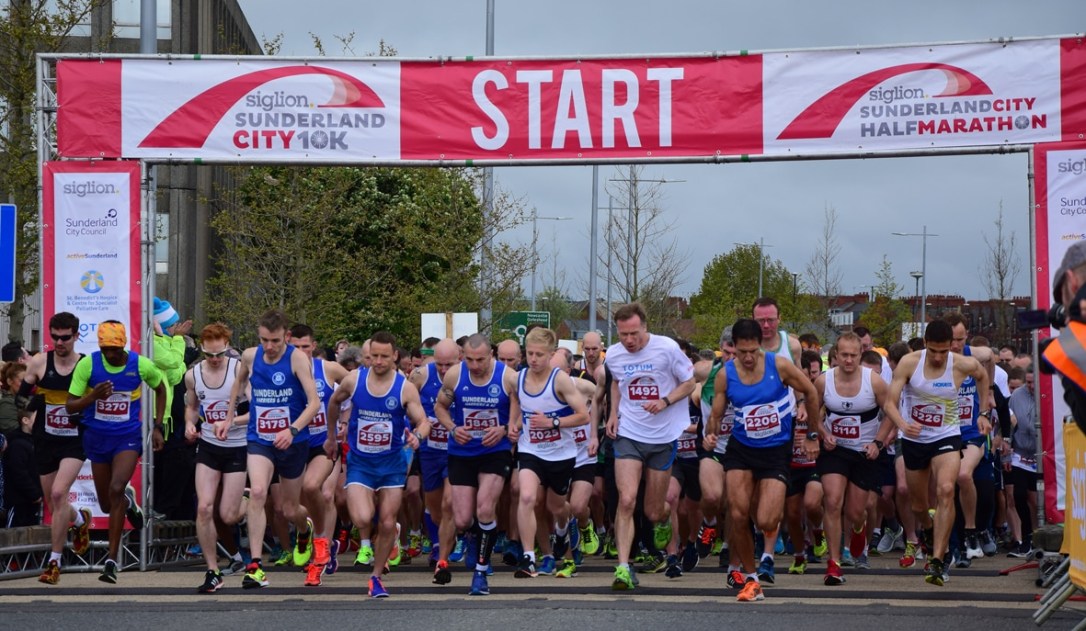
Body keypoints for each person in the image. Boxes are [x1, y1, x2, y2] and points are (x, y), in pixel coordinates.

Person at [707, 318, 819, 602]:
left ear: (760, 346)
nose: (746, 357)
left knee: (767, 518)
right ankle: (751, 578)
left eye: (752, 351)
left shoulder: (778, 365)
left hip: (774, 451)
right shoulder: (726, 374)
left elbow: (811, 391)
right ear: (732, 348)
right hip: (741, 449)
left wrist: (812, 436)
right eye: (741, 351)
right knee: (736, 512)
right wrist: (710, 434)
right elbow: (716, 415)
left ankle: (763, 552)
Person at [882, 320, 990, 586]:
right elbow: (889, 403)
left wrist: (984, 412)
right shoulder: (910, 363)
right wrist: (903, 424)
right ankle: (928, 534)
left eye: (944, 351)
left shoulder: (960, 364)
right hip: (915, 439)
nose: (940, 357)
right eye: (934, 351)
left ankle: (940, 560)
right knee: (919, 506)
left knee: (945, 490)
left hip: (946, 436)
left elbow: (983, 375)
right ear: (926, 345)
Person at [220, 309, 321, 589]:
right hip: (260, 439)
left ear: (286, 337)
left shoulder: (297, 359)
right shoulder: (251, 356)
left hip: (293, 441)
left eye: (275, 340)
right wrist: (229, 417)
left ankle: (305, 529)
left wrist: (292, 430)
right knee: (259, 493)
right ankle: (255, 565)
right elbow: (238, 383)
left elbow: (313, 403)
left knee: (289, 509)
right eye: (264, 340)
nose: (270, 346)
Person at [325, 331, 429, 598]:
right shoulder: (354, 380)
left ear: (395, 355)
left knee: (385, 521)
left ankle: (376, 577)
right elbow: (334, 403)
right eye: (374, 357)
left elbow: (423, 421)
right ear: (368, 356)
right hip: (361, 462)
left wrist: (417, 437)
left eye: (385, 356)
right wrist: (331, 435)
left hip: (392, 463)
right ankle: (382, 535)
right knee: (361, 517)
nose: (379, 362)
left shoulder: (403, 387)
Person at [65, 320, 167, 584]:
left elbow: (161, 388)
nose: (110, 353)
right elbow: (70, 406)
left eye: (114, 349)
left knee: (117, 486)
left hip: (127, 438)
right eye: (105, 348)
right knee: (107, 503)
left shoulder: (139, 364)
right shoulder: (88, 365)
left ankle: (111, 561)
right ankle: (129, 502)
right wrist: (93, 397)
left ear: (123, 345)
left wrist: (157, 425)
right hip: (97, 438)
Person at [604, 303, 696, 591]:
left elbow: (690, 383)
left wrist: (665, 401)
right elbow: (618, 383)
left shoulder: (666, 348)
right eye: (623, 335)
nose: (629, 340)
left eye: (633, 333)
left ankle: (665, 518)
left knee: (653, 511)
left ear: (644, 327)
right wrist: (612, 414)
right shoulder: (615, 355)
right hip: (630, 433)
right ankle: (622, 567)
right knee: (627, 499)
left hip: (662, 437)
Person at [434, 333, 520, 596]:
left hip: (495, 451)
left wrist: (505, 429)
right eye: (469, 359)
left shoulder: (508, 378)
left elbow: (521, 414)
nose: (474, 365)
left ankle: (481, 573)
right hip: (462, 451)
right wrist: (452, 427)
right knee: (461, 519)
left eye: (480, 359)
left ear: (490, 355)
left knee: (485, 508)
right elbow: (440, 407)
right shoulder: (455, 376)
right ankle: (476, 537)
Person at [811, 332, 894, 585]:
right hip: (835, 451)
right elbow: (813, 414)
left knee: (856, 511)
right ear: (835, 356)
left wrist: (878, 443)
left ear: (861, 355)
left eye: (853, 356)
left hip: (863, 452)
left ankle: (858, 529)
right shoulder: (824, 382)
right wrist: (823, 434)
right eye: (843, 355)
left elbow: (891, 412)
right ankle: (834, 564)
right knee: (833, 502)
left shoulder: (875, 382)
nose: (848, 360)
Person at [513, 327, 589, 579]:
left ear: (551, 354)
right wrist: (514, 424)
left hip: (560, 454)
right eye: (529, 353)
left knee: (556, 506)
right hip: (530, 450)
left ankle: (564, 529)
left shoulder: (560, 380)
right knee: (527, 497)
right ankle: (530, 557)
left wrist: (553, 423)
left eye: (539, 354)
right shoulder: (520, 377)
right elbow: (516, 402)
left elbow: (583, 415)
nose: (533, 359)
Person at [21, 313, 90, 584]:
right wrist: (34, 407)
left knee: (61, 492)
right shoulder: (40, 362)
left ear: (75, 336)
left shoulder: (85, 365)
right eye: (55, 337)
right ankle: (80, 521)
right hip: (45, 439)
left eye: (65, 337)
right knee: (54, 502)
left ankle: (54, 562)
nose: (59, 342)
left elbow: (94, 400)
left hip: (74, 440)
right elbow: (20, 398)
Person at [184, 323, 249, 593]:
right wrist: (190, 425)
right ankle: (212, 570)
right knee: (204, 508)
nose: (214, 360)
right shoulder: (192, 375)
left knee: (228, 514)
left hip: (238, 445)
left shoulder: (239, 371)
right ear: (202, 349)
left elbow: (258, 413)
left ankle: (249, 505)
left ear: (227, 348)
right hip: (209, 446)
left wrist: (231, 421)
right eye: (209, 355)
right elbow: (192, 407)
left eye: (219, 354)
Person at [290, 323, 349, 586]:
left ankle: (323, 547)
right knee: (294, 504)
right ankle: (314, 535)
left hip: (325, 442)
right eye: (296, 347)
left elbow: (356, 391)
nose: (301, 352)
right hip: (295, 442)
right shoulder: (284, 370)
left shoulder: (329, 369)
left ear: (313, 346)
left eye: (305, 346)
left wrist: (344, 422)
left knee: (323, 491)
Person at [409, 338, 458, 583]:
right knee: (435, 506)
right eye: (439, 363)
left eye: (448, 363)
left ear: (458, 359)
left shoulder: (464, 375)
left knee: (450, 503)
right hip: (429, 450)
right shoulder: (421, 376)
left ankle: (442, 555)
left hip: (456, 451)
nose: (443, 369)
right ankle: (442, 537)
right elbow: (405, 401)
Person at [1006, 370, 1038, 557]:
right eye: (1028, 382)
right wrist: (1006, 453)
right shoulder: (1017, 395)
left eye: (1034, 382)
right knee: (1017, 495)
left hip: (1040, 454)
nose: (1031, 386)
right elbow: (1006, 422)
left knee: (1034, 499)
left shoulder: (1046, 393)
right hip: (1018, 453)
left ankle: (1036, 536)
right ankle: (1025, 538)